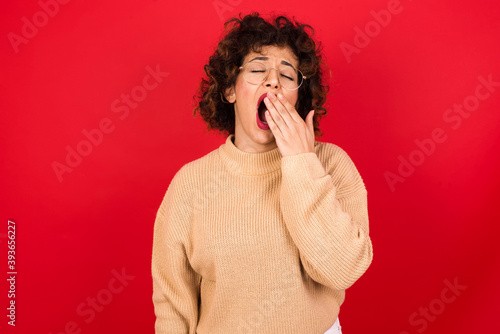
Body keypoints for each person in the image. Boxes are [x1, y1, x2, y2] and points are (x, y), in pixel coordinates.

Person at [151, 12, 373, 334]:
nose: (272, 81)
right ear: (231, 90)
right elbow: (173, 305)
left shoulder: (331, 164)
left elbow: (341, 270)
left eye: (286, 75)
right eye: (257, 69)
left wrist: (301, 163)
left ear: (298, 97)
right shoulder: (190, 183)